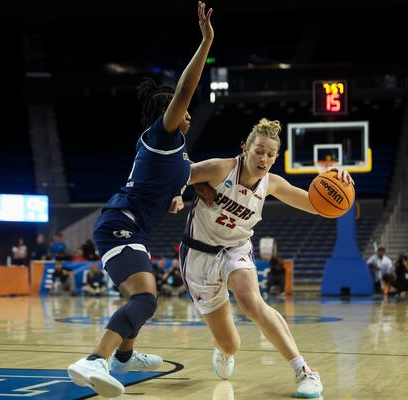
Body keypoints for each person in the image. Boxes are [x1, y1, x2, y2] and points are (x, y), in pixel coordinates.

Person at [67, 4, 215, 397]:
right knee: (147, 297)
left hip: (130, 226)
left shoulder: (178, 156)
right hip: (120, 223)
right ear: (170, 112)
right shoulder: (162, 135)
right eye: (182, 111)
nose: (187, 114)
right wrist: (206, 42)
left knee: (141, 296)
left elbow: (176, 183)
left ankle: (125, 357)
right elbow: (185, 91)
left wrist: (178, 198)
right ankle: (96, 359)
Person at [182, 118, 354, 398]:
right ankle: (224, 349)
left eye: (270, 154)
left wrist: (341, 183)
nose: (264, 158)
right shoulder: (219, 168)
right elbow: (176, 174)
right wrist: (179, 194)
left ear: (276, 158)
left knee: (251, 302)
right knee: (230, 344)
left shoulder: (271, 184)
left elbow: (318, 206)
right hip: (198, 253)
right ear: (245, 149)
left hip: (235, 248)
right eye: (259, 150)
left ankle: (304, 372)